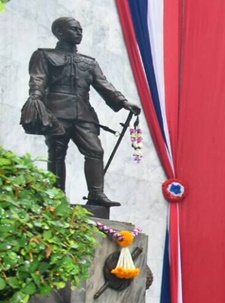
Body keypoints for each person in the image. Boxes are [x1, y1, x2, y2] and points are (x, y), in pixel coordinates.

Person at [21, 17, 141, 207]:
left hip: (84, 114)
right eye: (74, 29)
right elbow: (38, 79)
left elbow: (104, 85)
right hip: (56, 113)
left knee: (95, 150)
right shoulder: (44, 55)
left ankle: (96, 194)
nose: (79, 33)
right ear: (59, 32)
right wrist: (35, 98)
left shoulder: (89, 62)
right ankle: (56, 195)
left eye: (80, 30)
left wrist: (123, 102)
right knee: (57, 153)